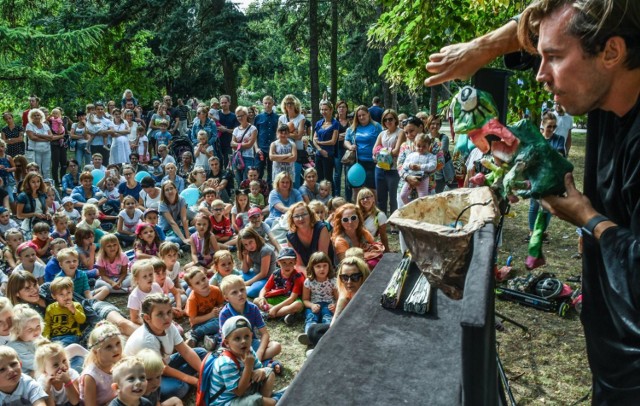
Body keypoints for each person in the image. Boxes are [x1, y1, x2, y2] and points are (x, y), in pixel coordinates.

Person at [425, 1, 640, 402]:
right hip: (608, 353)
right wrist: (483, 47)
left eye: (553, 58)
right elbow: (554, 18)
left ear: (612, 52)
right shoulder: (607, 92)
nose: (540, 74)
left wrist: (588, 219)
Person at [124, 294, 205, 400]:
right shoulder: (146, 340)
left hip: (165, 364)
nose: (167, 317)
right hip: (147, 376)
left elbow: (185, 351)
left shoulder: (169, 326)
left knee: (202, 353)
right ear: (147, 318)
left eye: (169, 312)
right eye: (160, 314)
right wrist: (192, 380)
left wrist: (203, 373)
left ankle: (190, 376)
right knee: (180, 388)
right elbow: (163, 369)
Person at [209, 316, 277, 406]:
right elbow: (239, 392)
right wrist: (248, 366)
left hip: (245, 389)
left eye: (247, 336)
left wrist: (261, 371)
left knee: (269, 372)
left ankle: (264, 401)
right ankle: (275, 400)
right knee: (255, 401)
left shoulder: (249, 350)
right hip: (227, 401)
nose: (243, 341)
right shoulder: (226, 363)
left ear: (251, 336)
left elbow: (259, 369)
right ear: (227, 343)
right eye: (237, 338)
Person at [303, 256, 371, 347]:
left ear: (364, 275)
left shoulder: (368, 296)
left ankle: (324, 348)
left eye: (355, 277)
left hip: (362, 334)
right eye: (345, 277)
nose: (349, 282)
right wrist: (339, 304)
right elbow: (333, 325)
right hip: (345, 330)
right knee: (313, 330)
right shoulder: (344, 292)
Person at [219, 275, 282, 363]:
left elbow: (265, 334)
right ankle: (263, 363)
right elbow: (225, 341)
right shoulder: (224, 314)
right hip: (234, 347)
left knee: (276, 346)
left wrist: (260, 352)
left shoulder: (253, 308)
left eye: (242, 290)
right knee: (227, 359)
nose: (240, 294)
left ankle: (252, 362)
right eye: (234, 292)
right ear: (226, 298)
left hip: (250, 343)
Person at [254, 247, 304, 325]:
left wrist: (275, 308)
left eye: (290, 262)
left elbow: (292, 298)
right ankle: (283, 315)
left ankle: (268, 315)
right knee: (256, 300)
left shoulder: (297, 276)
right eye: (284, 263)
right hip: (277, 298)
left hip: (290, 300)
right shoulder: (275, 274)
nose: (287, 266)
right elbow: (265, 289)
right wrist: (261, 298)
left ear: (295, 262)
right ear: (278, 263)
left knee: (298, 305)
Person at [79, 321, 122, 406]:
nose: (116, 349)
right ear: (96, 352)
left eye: (118, 343)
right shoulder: (91, 376)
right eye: (108, 347)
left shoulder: (120, 361)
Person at [298, 252, 337, 343]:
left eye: (325, 265)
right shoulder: (309, 282)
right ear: (312, 268)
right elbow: (305, 300)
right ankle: (308, 335)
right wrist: (311, 306)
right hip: (314, 305)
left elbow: (338, 298)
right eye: (318, 266)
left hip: (328, 305)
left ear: (329, 266)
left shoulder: (333, 281)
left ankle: (326, 335)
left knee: (327, 317)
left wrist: (334, 305)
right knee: (311, 317)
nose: (322, 269)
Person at [344, 105, 383, 197]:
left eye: (363, 115)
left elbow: (383, 140)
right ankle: (358, 209)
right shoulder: (353, 128)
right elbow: (346, 140)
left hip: (372, 162)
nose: (361, 117)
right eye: (359, 116)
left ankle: (373, 210)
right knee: (356, 189)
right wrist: (350, 146)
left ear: (368, 114)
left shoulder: (376, 126)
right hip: (357, 162)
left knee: (372, 190)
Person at [183, 268, 225, 349]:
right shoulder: (192, 299)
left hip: (213, 319)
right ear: (192, 287)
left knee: (225, 321)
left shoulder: (216, 290)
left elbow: (220, 303)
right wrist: (211, 315)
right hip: (199, 324)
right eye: (197, 283)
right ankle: (195, 334)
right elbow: (193, 320)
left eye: (203, 279)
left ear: (207, 277)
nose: (203, 283)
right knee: (219, 322)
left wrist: (220, 309)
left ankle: (213, 339)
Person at [286, 201, 332, 269]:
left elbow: (322, 259)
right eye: (296, 216)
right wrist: (309, 277)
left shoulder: (321, 228)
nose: (301, 219)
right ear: (292, 219)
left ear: (310, 215)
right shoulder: (291, 237)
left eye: (304, 214)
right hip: (305, 271)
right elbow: (299, 265)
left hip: (324, 268)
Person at [43, 276, 87, 345]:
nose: (66, 296)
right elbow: (47, 325)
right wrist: (45, 338)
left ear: (72, 292)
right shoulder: (50, 308)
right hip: (55, 337)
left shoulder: (76, 305)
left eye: (68, 293)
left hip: (72, 336)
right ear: (54, 296)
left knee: (59, 347)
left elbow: (82, 320)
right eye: (61, 294)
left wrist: (73, 310)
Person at [399, 133, 437, 203]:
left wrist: (420, 167)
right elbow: (404, 165)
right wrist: (410, 165)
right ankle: (409, 206)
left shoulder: (430, 156)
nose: (421, 148)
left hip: (423, 178)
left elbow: (433, 165)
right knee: (403, 195)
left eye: (424, 146)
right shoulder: (411, 155)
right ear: (415, 145)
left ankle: (421, 210)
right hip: (410, 177)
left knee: (423, 198)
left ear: (428, 146)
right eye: (418, 146)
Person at [254, 96, 280, 185]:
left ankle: (269, 193)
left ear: (273, 104)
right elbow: (254, 135)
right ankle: (258, 192)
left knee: (272, 172)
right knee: (258, 171)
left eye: (269, 103)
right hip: (261, 149)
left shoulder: (277, 118)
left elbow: (279, 134)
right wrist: (256, 148)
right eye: (265, 103)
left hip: (273, 149)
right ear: (262, 104)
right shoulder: (258, 117)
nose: (267, 105)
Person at [231, 106, 258, 184]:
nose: (240, 118)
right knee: (239, 181)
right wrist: (243, 143)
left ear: (246, 115)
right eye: (238, 116)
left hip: (248, 158)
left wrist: (237, 144)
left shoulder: (253, 129)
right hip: (236, 158)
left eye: (241, 115)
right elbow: (232, 144)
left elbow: (250, 145)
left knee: (246, 181)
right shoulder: (236, 129)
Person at [217, 95, 239, 169]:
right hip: (217, 142)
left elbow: (236, 130)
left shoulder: (234, 116)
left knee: (228, 162)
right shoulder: (216, 114)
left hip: (229, 143)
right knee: (217, 161)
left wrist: (225, 129)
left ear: (229, 103)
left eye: (225, 102)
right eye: (222, 103)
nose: (223, 104)